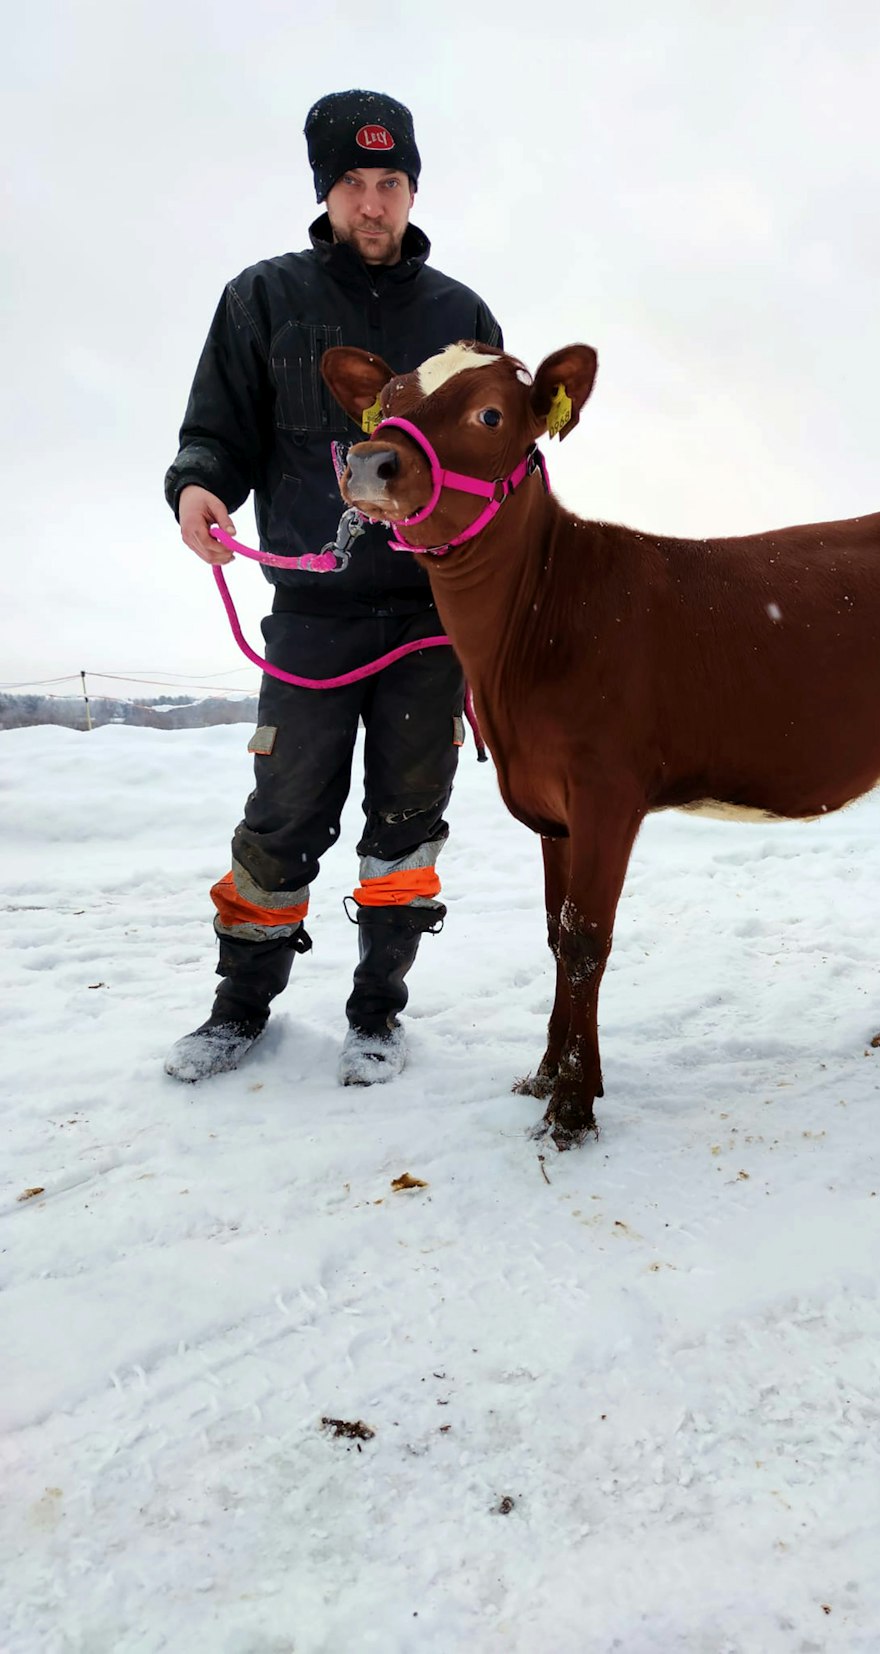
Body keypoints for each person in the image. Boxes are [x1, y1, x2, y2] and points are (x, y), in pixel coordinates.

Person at [164, 90, 501, 1087]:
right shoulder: (262, 300)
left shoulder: (460, 318)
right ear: (325, 191)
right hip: (311, 614)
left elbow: (501, 465)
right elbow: (216, 431)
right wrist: (199, 490)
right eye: (353, 184)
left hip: (431, 616)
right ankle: (239, 1009)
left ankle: (377, 1013)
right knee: (284, 814)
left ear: (411, 189)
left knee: (407, 822)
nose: (371, 203)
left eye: (388, 182)